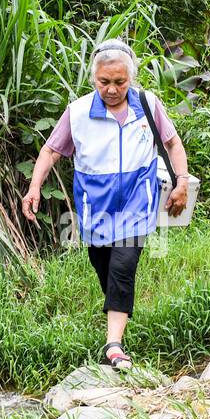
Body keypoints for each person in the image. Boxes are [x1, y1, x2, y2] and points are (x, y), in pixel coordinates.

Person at [21, 40, 189, 370]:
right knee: (105, 265)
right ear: (94, 78)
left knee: (123, 265)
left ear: (131, 79)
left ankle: (114, 345)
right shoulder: (79, 111)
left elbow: (171, 142)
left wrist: (181, 181)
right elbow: (51, 151)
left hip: (136, 202)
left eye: (119, 82)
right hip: (95, 205)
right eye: (104, 82)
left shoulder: (147, 104)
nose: (112, 89)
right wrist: (34, 187)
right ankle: (118, 311)